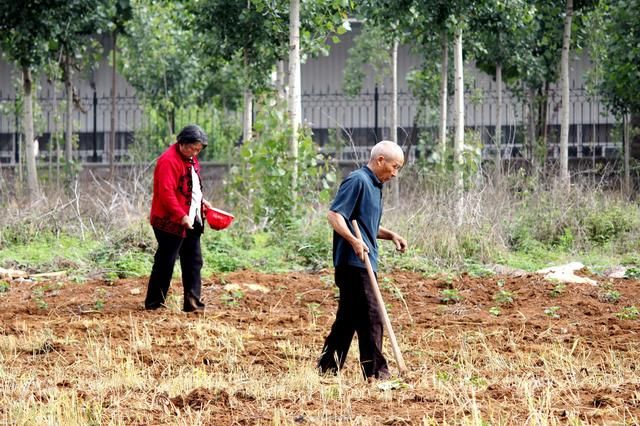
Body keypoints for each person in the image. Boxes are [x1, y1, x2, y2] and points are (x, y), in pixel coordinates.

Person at [318, 140, 408, 379]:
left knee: (347, 319)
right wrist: (354, 241)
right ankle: (377, 373)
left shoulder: (375, 185)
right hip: (353, 263)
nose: (395, 173)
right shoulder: (357, 180)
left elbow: (367, 225)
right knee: (371, 315)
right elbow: (335, 215)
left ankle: (327, 368)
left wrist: (390, 235)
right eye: (394, 166)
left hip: (364, 260)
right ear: (380, 160)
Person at [144, 124, 212, 313]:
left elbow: (191, 186)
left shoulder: (191, 158)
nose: (195, 153)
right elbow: (166, 193)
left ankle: (192, 304)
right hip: (170, 221)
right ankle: (154, 304)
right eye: (193, 148)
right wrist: (181, 215)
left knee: (193, 261)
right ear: (182, 143)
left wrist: (201, 203)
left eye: (199, 150)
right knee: (166, 262)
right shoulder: (168, 161)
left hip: (191, 218)